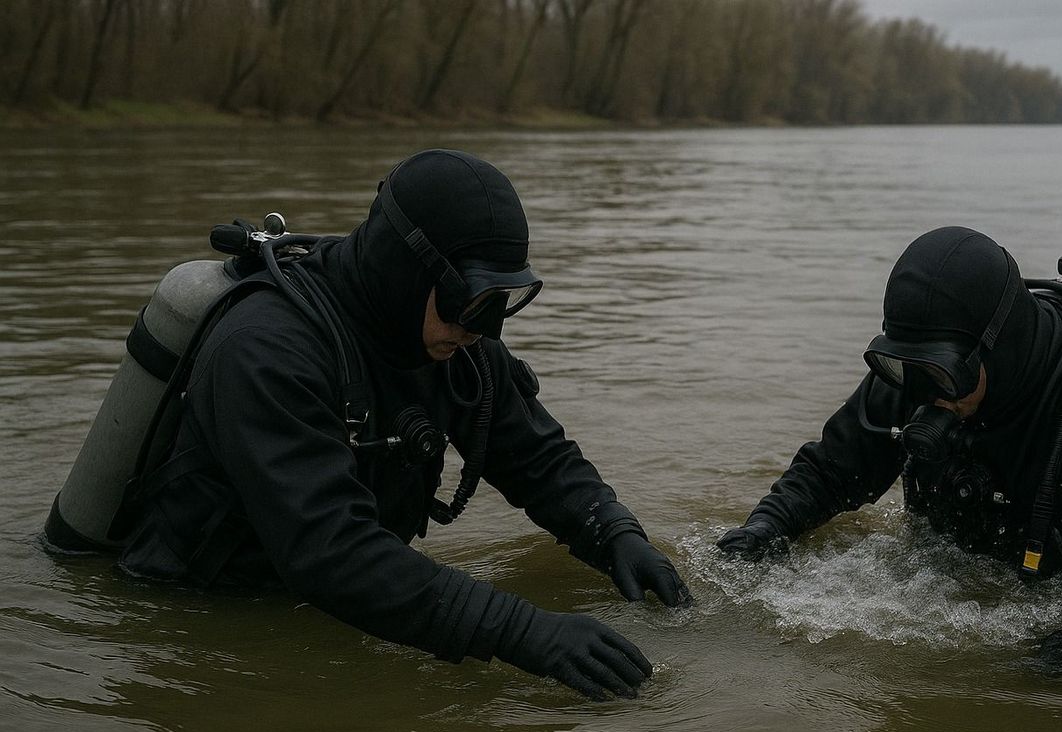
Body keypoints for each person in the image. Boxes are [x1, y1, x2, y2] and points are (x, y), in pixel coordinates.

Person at [119, 149, 690, 699]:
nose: (483, 328)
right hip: (198, 622)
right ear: (408, 270)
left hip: (333, 597)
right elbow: (331, 551)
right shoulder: (266, 352)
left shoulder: (453, 340)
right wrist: (519, 630)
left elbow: (537, 458)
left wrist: (613, 532)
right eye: (469, 299)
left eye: (499, 300)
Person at [717, 226, 1062, 665]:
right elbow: (830, 471)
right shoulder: (921, 378)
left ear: (1000, 347)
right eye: (909, 369)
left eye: (946, 375)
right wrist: (761, 532)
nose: (928, 397)